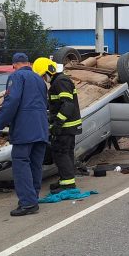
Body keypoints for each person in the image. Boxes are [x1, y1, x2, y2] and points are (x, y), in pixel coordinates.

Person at [0, 53, 49, 217]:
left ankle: (28, 203)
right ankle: (33, 197)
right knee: (35, 165)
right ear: (29, 63)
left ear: (14, 65)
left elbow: (12, 101)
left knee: (21, 163)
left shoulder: (16, 76)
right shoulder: (39, 79)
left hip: (25, 129)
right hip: (41, 128)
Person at [32, 57, 83, 194]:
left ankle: (67, 184)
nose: (43, 79)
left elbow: (68, 104)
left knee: (60, 153)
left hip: (66, 126)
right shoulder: (58, 82)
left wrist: (57, 124)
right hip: (68, 125)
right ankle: (66, 180)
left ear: (49, 71)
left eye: (43, 75)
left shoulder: (60, 81)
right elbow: (58, 104)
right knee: (66, 153)